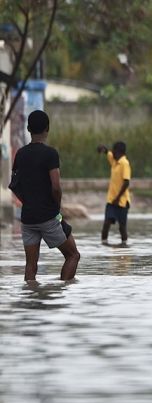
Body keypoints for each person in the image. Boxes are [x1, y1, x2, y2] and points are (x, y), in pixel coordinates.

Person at [10, 110, 80, 281]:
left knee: (31, 265)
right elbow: (56, 187)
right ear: (47, 128)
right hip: (48, 216)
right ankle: (61, 292)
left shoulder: (20, 154)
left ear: (28, 129)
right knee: (73, 256)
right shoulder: (50, 154)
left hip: (28, 218)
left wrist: (28, 202)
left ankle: (31, 298)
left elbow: (14, 186)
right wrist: (57, 208)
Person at [97, 141, 132, 245]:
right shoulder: (114, 162)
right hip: (111, 201)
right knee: (106, 223)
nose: (112, 153)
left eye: (114, 150)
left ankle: (124, 246)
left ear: (119, 152)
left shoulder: (124, 163)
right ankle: (104, 245)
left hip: (122, 201)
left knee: (122, 227)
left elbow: (126, 182)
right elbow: (108, 153)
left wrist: (117, 198)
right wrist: (104, 149)